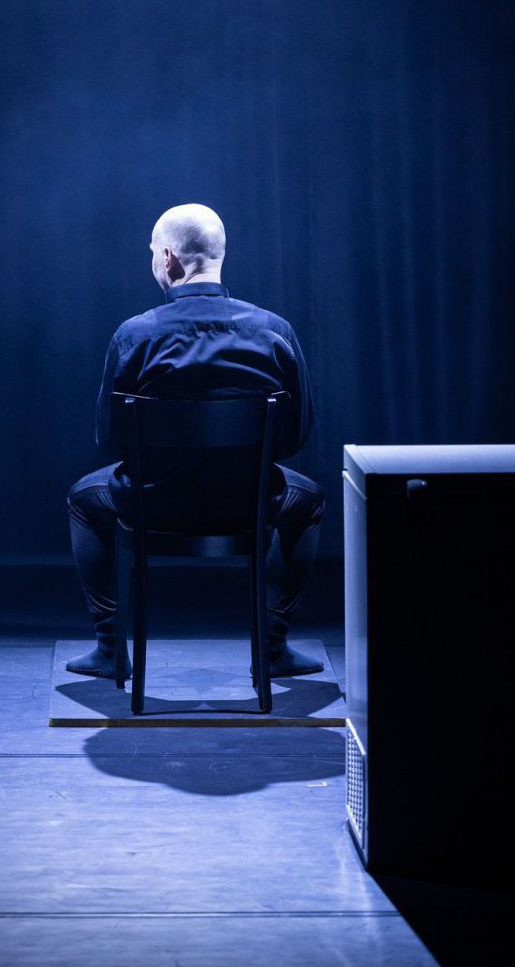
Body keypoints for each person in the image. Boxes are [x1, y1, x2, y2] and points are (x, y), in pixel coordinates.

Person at [66, 203, 325, 679]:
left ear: (168, 258)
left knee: (84, 499)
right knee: (309, 500)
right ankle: (271, 648)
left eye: (152, 252)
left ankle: (110, 649)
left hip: (153, 506)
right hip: (249, 505)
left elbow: (109, 439)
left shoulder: (135, 336)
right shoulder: (275, 333)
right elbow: (295, 436)